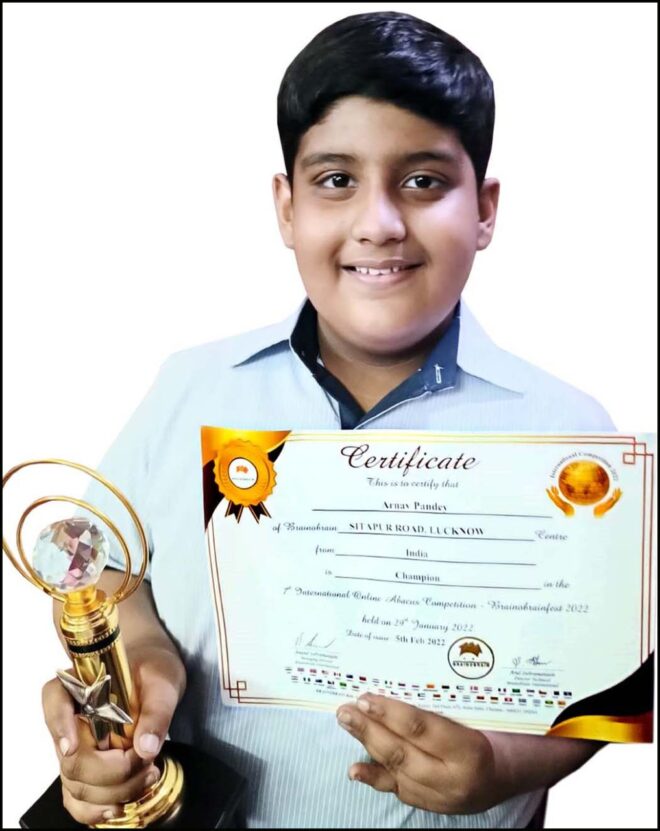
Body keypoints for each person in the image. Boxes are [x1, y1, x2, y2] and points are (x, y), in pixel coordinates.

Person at [41, 11, 613, 828]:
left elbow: (608, 683)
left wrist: (504, 764)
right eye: (337, 180)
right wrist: (143, 661)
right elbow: (100, 571)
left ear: (485, 210)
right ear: (286, 206)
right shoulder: (191, 389)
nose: (378, 223)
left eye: (424, 181)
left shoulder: (572, 440)